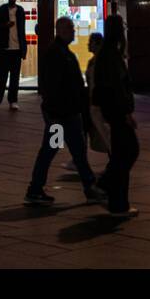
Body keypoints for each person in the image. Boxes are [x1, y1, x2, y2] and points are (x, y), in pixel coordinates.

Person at [24, 17, 107, 206]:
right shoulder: (57, 54)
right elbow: (54, 87)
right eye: (70, 28)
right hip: (61, 116)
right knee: (53, 150)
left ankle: (88, 186)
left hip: (66, 114)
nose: (74, 31)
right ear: (61, 30)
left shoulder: (61, 52)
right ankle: (36, 188)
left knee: (75, 151)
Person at [92, 14, 139, 219]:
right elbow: (117, 87)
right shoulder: (111, 55)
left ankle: (115, 196)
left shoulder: (107, 53)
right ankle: (111, 192)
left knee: (123, 153)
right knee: (128, 151)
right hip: (117, 112)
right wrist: (126, 112)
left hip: (112, 111)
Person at [0, 0, 27, 111]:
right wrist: (5, 26)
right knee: (1, 77)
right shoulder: (1, 10)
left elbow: (22, 31)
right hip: (4, 49)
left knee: (15, 78)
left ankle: (13, 100)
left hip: (16, 49)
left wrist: (23, 49)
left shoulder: (20, 11)